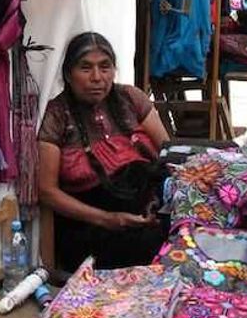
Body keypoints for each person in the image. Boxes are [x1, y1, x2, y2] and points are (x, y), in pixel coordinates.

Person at [38, 32, 170, 271]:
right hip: (89, 228)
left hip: (145, 212)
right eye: (85, 68)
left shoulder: (131, 99)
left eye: (105, 67)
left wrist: (155, 202)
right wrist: (107, 219)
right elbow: (47, 192)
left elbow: (169, 154)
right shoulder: (57, 115)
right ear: (68, 74)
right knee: (154, 247)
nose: (97, 77)